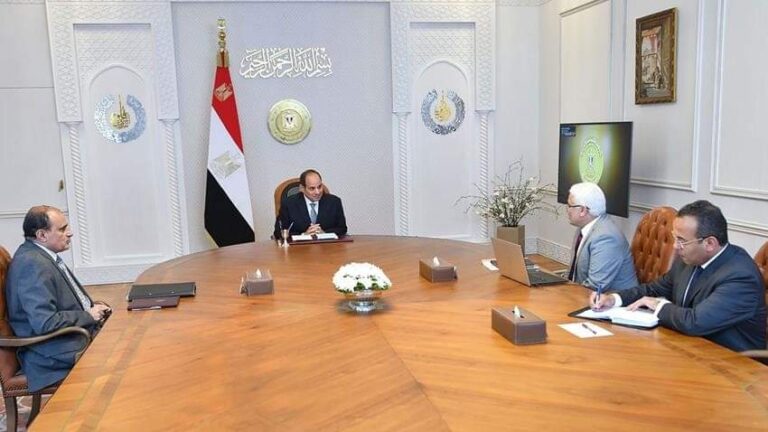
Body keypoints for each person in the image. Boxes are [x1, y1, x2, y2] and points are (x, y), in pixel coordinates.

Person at [590, 200, 766, 352]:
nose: (675, 246)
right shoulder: (689, 259)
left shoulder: (740, 276)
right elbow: (654, 289)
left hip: (729, 364)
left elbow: (695, 322)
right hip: (688, 346)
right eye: (675, 238)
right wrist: (614, 299)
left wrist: (658, 305)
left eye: (682, 240)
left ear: (710, 243)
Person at [5, 205, 111, 392]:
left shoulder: (40, 255)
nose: (69, 233)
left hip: (68, 339)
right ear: (42, 235)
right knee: (123, 357)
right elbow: (45, 322)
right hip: (51, 354)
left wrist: (92, 310)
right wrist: (88, 315)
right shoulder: (32, 264)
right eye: (62, 229)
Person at [566, 182, 638, 291]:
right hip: (583, 294)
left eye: (569, 206)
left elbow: (595, 286)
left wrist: (565, 292)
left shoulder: (606, 238)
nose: (567, 210)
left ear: (583, 210)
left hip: (610, 299)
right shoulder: (584, 228)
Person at [273, 169, 347, 239]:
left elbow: (342, 228)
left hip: (327, 246)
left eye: (319, 187)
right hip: (298, 247)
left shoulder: (334, 202)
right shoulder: (288, 204)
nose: (317, 192)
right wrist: (304, 235)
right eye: (312, 188)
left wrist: (324, 233)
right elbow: (278, 232)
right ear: (302, 188)